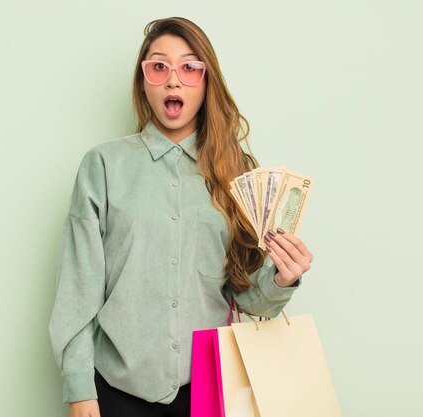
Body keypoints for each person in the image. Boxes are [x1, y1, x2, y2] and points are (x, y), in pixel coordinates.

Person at [48, 16, 313, 417]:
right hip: (116, 392)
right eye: (159, 66)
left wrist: (281, 278)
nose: (174, 80)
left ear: (206, 82)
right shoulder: (102, 166)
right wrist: (79, 389)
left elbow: (243, 297)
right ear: (143, 82)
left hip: (209, 391)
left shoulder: (237, 174)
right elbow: (79, 289)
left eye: (190, 68)